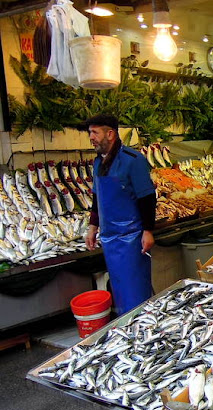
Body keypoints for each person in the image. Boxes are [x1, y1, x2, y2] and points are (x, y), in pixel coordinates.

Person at [84, 114, 156, 315]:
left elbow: (147, 198)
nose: (91, 137)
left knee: (135, 289)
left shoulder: (133, 160)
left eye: (95, 132)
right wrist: (92, 228)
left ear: (110, 133)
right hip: (109, 240)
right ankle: (126, 325)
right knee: (119, 289)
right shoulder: (98, 163)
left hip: (132, 240)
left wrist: (148, 231)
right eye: (90, 132)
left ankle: (142, 324)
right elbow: (97, 199)